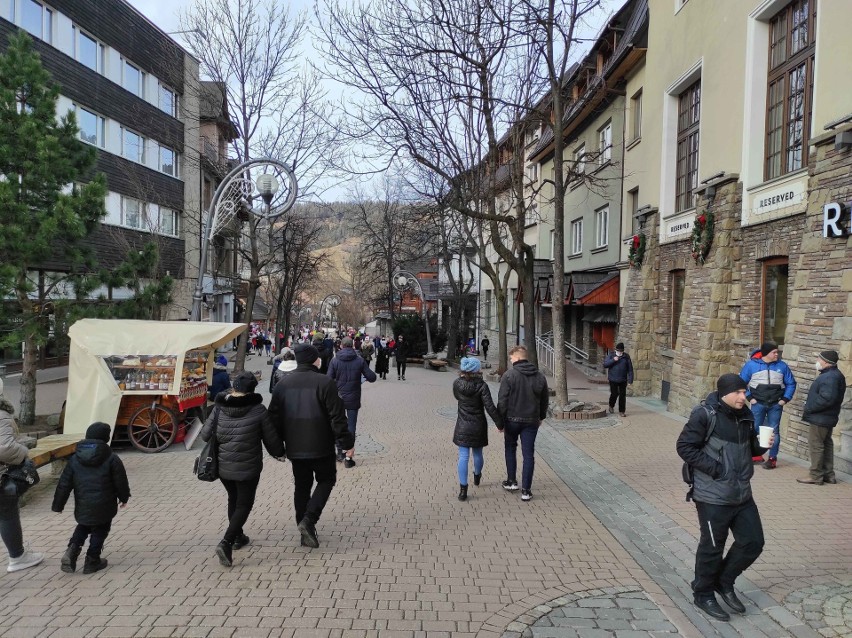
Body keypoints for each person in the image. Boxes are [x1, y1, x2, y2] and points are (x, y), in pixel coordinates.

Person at [676, 373, 772, 622]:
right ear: (724, 393)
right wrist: (716, 468)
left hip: (741, 492)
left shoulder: (746, 415)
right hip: (712, 495)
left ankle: (723, 581)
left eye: (745, 392)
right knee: (712, 547)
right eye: (739, 392)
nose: (744, 396)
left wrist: (762, 446)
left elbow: (750, 449)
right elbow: (685, 446)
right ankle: (703, 593)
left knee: (753, 542)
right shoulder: (705, 414)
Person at [268, 343, 354, 548]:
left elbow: (273, 419)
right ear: (315, 360)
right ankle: (308, 521)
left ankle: (304, 528)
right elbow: (338, 417)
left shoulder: (283, 385)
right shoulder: (325, 383)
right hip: (321, 445)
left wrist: (279, 447)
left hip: (296, 447)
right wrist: (346, 444)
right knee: (326, 479)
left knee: (302, 486)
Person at [200, 371, 284, 567]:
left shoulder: (219, 408)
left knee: (233, 499)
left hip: (223, 466)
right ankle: (227, 542)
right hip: (248, 467)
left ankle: (238, 537)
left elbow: (205, 435)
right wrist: (280, 452)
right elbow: (271, 438)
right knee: (244, 504)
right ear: (252, 390)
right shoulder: (258, 410)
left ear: (234, 386)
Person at [51, 422, 130, 574]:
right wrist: (124, 497)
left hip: (83, 504)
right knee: (101, 529)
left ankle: (72, 549)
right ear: (106, 438)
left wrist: (58, 505)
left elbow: (64, 483)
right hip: (105, 503)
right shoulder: (112, 458)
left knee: (83, 525)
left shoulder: (74, 459)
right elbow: (121, 480)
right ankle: (92, 560)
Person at [0, 379, 44, 573]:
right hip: (2, 477)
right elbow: (5, 448)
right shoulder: (2, 416)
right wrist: (24, 451)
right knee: (7, 514)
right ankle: (17, 556)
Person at [497, 345, 549, 501]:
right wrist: (541, 417)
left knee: (510, 448)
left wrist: (500, 421)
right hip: (532, 421)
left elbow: (502, 401)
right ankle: (526, 490)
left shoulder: (509, 375)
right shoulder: (540, 376)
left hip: (511, 420)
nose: (511, 360)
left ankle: (511, 481)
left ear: (518, 358)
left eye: (511, 358)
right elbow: (544, 400)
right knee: (528, 454)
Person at [739, 341, 796, 469]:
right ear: (766, 353)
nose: (777, 354)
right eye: (774, 352)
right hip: (757, 403)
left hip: (776, 404)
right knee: (754, 429)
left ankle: (772, 459)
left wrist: (785, 399)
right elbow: (741, 382)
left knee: (774, 431)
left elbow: (791, 383)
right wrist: (749, 398)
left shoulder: (782, 366)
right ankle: (755, 454)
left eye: (777, 352)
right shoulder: (751, 366)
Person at [453, 357, 501, 501]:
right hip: (478, 425)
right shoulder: (482, 386)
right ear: (476, 370)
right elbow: (490, 407)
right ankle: (477, 475)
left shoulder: (457, 384)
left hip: (462, 424)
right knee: (478, 453)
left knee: (463, 456)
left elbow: (457, 397)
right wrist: (500, 424)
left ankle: (463, 490)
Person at [797, 350, 846, 485]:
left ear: (825, 361)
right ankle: (828, 474)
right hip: (827, 417)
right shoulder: (834, 375)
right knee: (826, 444)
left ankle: (816, 475)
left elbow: (827, 399)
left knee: (816, 445)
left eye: (819, 359)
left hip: (821, 417)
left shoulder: (829, 377)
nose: (817, 361)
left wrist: (809, 407)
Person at [328, 337, 377, 467]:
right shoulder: (359, 361)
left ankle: (339, 452)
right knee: (351, 426)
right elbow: (372, 377)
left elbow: (328, 380)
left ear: (341, 346)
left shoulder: (335, 361)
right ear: (353, 346)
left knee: (337, 423)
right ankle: (348, 458)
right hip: (353, 398)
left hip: (338, 398)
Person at [603, 343, 634, 417]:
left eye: (621, 351)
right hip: (613, 379)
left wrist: (630, 380)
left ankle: (622, 411)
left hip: (623, 379)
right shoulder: (611, 355)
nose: (620, 353)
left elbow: (630, 369)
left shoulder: (626, 357)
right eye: (619, 351)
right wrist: (613, 360)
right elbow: (605, 364)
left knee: (622, 396)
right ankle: (611, 405)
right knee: (614, 393)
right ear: (616, 350)